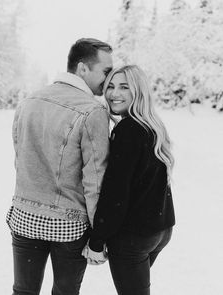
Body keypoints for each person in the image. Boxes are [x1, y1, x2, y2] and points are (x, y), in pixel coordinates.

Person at [6, 38, 113, 295]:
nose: (108, 80)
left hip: (24, 217)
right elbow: (95, 180)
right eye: (106, 71)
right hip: (69, 225)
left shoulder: (30, 101)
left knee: (23, 291)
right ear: (82, 68)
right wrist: (100, 235)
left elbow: (20, 157)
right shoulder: (92, 111)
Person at [83, 65, 175, 295]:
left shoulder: (128, 131)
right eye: (110, 86)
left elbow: (115, 192)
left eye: (124, 87)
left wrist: (97, 242)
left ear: (138, 91)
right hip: (160, 230)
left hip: (134, 237)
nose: (114, 94)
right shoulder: (152, 126)